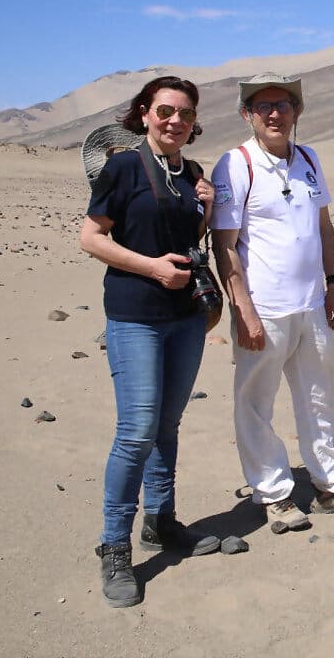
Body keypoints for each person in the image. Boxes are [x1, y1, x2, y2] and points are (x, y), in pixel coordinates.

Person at [210, 72, 334, 534]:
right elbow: (224, 243)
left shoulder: (309, 158)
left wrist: (333, 283)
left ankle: (333, 486)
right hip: (263, 307)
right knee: (255, 402)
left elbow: (323, 226)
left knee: (319, 395)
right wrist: (242, 308)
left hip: (311, 304)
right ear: (248, 115)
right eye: (262, 106)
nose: (274, 114)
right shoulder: (236, 164)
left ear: (296, 113)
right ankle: (274, 493)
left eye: (283, 105)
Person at [79, 76, 220, 608]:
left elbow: (187, 239)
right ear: (143, 114)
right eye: (165, 111)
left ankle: (161, 522)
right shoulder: (122, 167)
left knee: (167, 425)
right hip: (135, 316)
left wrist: (205, 207)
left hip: (185, 319)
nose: (174, 121)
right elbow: (91, 237)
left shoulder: (192, 173)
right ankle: (114, 544)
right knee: (136, 431)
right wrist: (152, 270)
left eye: (184, 114)